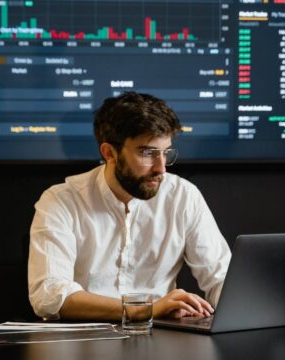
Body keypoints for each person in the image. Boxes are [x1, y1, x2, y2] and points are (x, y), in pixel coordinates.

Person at [28, 91, 231, 321]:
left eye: (166, 153)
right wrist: (144, 310)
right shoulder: (60, 201)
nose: (161, 168)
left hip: (162, 341)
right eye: (147, 153)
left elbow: (222, 278)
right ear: (109, 152)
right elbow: (49, 295)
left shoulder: (184, 196)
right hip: (83, 342)